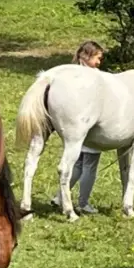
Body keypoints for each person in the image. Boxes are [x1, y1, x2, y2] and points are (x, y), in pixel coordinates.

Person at [53, 41, 105, 214]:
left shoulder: (70, 73)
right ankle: (83, 202)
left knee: (76, 165)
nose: (99, 62)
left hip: (74, 129)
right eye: (98, 58)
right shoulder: (93, 78)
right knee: (89, 166)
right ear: (88, 56)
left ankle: (60, 196)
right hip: (89, 129)